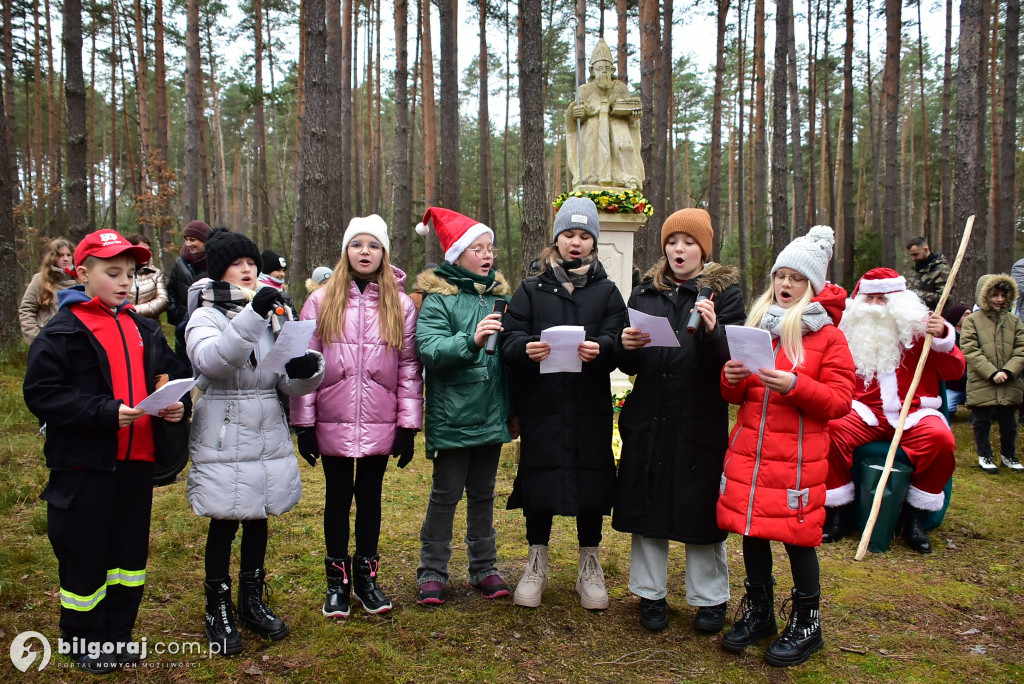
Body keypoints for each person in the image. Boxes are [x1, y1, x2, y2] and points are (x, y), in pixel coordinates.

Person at [23, 230, 186, 673]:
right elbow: (42, 393)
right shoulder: (63, 331)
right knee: (85, 554)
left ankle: (118, 634)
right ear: (82, 273)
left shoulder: (144, 327)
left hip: (137, 465)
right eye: (112, 273)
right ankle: (84, 640)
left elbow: (167, 374)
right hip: (85, 467)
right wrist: (104, 412)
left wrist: (173, 405)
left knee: (128, 558)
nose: (124, 282)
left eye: (130, 274)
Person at [717, 226, 855, 667]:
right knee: (752, 530)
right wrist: (731, 379)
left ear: (811, 286)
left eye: (796, 278)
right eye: (781, 276)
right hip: (751, 454)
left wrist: (796, 386)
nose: (786, 284)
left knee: (798, 538)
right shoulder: (759, 325)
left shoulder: (828, 336)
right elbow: (737, 395)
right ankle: (760, 612)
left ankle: (808, 623)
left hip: (796, 461)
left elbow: (840, 401)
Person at [185, 228, 324, 655]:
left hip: (267, 425)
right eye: (237, 264)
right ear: (219, 270)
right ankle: (217, 606)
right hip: (224, 428)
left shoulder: (273, 312)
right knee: (224, 519)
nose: (247, 270)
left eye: (251, 263)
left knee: (259, 514)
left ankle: (251, 599)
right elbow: (213, 362)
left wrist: (307, 372)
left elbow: (283, 383)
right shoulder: (205, 314)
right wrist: (253, 315)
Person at [615, 208, 746, 633]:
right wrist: (626, 345)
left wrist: (712, 332)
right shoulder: (644, 292)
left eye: (689, 242)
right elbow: (629, 365)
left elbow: (731, 358)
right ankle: (650, 593)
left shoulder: (723, 294)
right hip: (649, 414)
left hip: (698, 417)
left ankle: (709, 599)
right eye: (672, 241)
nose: (679, 249)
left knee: (699, 507)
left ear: (703, 249)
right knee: (647, 501)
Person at [291, 215, 423, 618]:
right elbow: (305, 363)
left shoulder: (400, 304)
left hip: (380, 419)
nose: (365, 252)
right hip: (331, 416)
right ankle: (337, 583)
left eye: (373, 245)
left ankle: (366, 578)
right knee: (336, 498)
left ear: (384, 254)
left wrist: (407, 425)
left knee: (369, 498)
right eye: (357, 244)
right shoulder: (321, 300)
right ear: (345, 251)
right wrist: (304, 423)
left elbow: (409, 367)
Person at [501, 196, 627, 611]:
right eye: (569, 235)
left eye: (584, 236)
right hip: (543, 403)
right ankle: (535, 562)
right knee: (539, 477)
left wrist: (602, 348)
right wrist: (526, 348)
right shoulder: (531, 289)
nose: (576, 243)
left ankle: (589, 565)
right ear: (556, 239)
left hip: (589, 403)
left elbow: (619, 338)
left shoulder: (607, 291)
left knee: (592, 479)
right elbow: (509, 338)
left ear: (594, 242)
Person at [823, 267, 966, 553]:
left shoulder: (921, 328)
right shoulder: (848, 331)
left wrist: (943, 337)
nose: (876, 306)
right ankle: (840, 510)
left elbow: (954, 372)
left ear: (900, 301)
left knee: (941, 440)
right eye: (870, 299)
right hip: (864, 411)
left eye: (883, 299)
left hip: (913, 413)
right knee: (830, 430)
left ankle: (915, 516)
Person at [413, 208, 514, 605]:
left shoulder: (501, 298)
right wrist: (472, 340)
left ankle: (484, 567)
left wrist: (514, 410)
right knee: (446, 494)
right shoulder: (439, 299)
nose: (487, 255)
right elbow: (430, 350)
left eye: (491, 248)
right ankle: (432, 570)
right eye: (478, 249)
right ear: (457, 255)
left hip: (492, 413)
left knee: (484, 493)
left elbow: (509, 361)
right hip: (453, 415)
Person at [961, 274, 1024, 473]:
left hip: (1008, 380)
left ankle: (1009, 455)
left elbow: (1021, 349)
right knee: (981, 421)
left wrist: (1008, 370)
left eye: (1003, 295)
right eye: (995, 295)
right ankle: (985, 455)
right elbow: (970, 349)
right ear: (984, 295)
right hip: (982, 380)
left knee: (1009, 423)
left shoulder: (1014, 321)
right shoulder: (972, 321)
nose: (999, 299)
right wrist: (991, 372)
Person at [565, 39, 643, 190]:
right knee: (590, 139)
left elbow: (631, 116)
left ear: (612, 71)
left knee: (623, 143)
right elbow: (575, 115)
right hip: (593, 128)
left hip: (617, 127)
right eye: (600, 68)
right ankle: (591, 175)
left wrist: (633, 115)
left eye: (607, 69)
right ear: (592, 71)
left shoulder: (620, 88)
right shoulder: (585, 90)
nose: (604, 72)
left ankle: (624, 176)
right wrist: (577, 113)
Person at [19, 237, 77, 346]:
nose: (65, 259)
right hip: (48, 340)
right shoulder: (40, 279)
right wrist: (37, 339)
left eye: (68, 255)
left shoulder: (81, 280)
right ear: (52, 257)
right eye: (61, 255)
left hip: (76, 342)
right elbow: (27, 310)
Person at [167, 220, 210, 359]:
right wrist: (176, 314)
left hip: (209, 323)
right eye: (186, 239)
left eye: (192, 239)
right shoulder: (180, 262)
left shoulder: (215, 262)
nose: (188, 244)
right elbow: (171, 290)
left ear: (204, 240)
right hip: (184, 324)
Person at [125, 234, 170, 320]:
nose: (146, 253)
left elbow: (163, 300)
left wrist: (134, 310)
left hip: (149, 324)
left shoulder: (156, 273)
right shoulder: (118, 273)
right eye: (141, 250)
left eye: (148, 250)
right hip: (121, 323)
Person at [905, 236, 951, 311]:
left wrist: (916, 294)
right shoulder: (917, 270)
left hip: (933, 315)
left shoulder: (942, 270)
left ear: (926, 250)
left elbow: (945, 298)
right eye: (911, 255)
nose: (913, 258)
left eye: (916, 254)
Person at [942, 304, 970, 414]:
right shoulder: (947, 339)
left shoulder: (976, 336)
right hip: (954, 385)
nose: (970, 317)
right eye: (966, 314)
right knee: (947, 407)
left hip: (974, 384)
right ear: (957, 318)